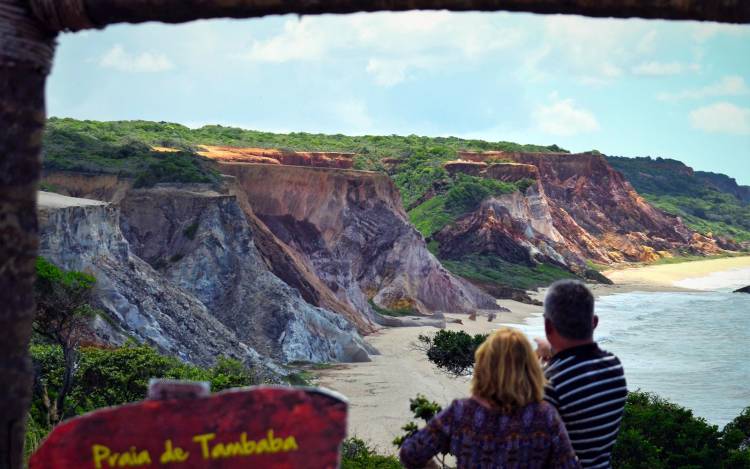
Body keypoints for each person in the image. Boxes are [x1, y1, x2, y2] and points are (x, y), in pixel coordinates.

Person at [399, 327, 581, 469]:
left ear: (483, 365)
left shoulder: (461, 412)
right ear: (530, 369)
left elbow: (411, 453)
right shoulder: (544, 417)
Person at [534, 280, 627, 469]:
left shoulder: (550, 384)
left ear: (548, 326)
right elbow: (578, 365)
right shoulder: (613, 367)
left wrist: (534, 367)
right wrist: (552, 351)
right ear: (594, 322)